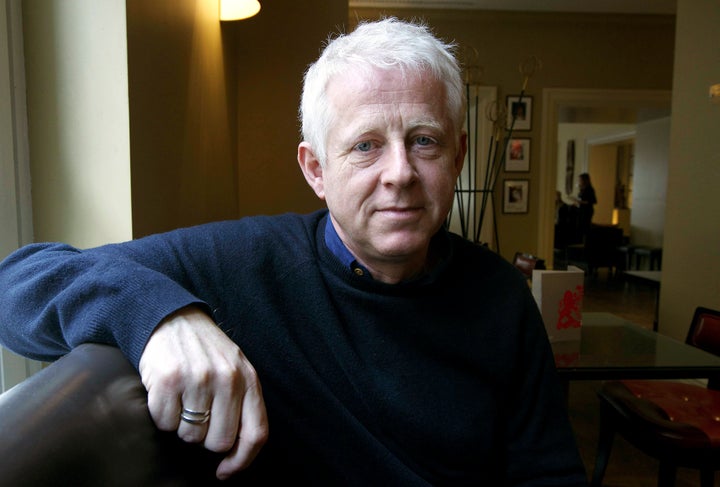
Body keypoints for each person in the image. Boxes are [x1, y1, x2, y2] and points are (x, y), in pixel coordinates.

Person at [0, 18, 587, 485]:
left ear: (457, 157)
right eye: (365, 146)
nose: (400, 173)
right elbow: (16, 281)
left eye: (424, 141)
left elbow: (550, 473)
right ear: (316, 170)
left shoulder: (503, 298)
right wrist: (161, 317)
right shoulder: (241, 263)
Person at [572, 172, 597, 240]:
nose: (579, 181)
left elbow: (592, 201)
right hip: (581, 210)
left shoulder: (590, 189)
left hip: (586, 211)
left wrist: (580, 202)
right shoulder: (582, 189)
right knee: (579, 227)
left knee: (585, 227)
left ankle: (585, 242)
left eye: (580, 180)